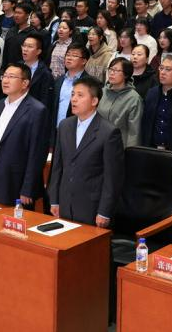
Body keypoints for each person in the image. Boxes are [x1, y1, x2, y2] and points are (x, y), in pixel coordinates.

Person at [48, 78, 124, 227]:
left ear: (94, 101)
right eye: (72, 94)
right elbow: (57, 167)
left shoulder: (109, 132)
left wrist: (104, 211)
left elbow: (113, 178)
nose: (74, 99)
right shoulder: (64, 126)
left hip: (92, 208)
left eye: (80, 95)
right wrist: (54, 200)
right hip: (64, 204)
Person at [0, 63, 50, 207]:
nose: (5, 80)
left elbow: (37, 154)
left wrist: (28, 188)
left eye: (11, 77)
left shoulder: (37, 111)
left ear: (25, 83)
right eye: (4, 76)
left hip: (16, 181)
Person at [99, 57, 144, 148]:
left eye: (116, 70)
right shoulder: (102, 92)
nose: (112, 73)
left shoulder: (134, 99)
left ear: (126, 75)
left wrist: (130, 152)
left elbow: (134, 132)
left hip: (118, 146)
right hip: (98, 143)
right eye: (110, 69)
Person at [53, 42, 89, 127]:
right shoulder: (59, 80)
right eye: (68, 55)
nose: (69, 58)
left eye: (74, 55)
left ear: (84, 61)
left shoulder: (88, 83)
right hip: (56, 129)